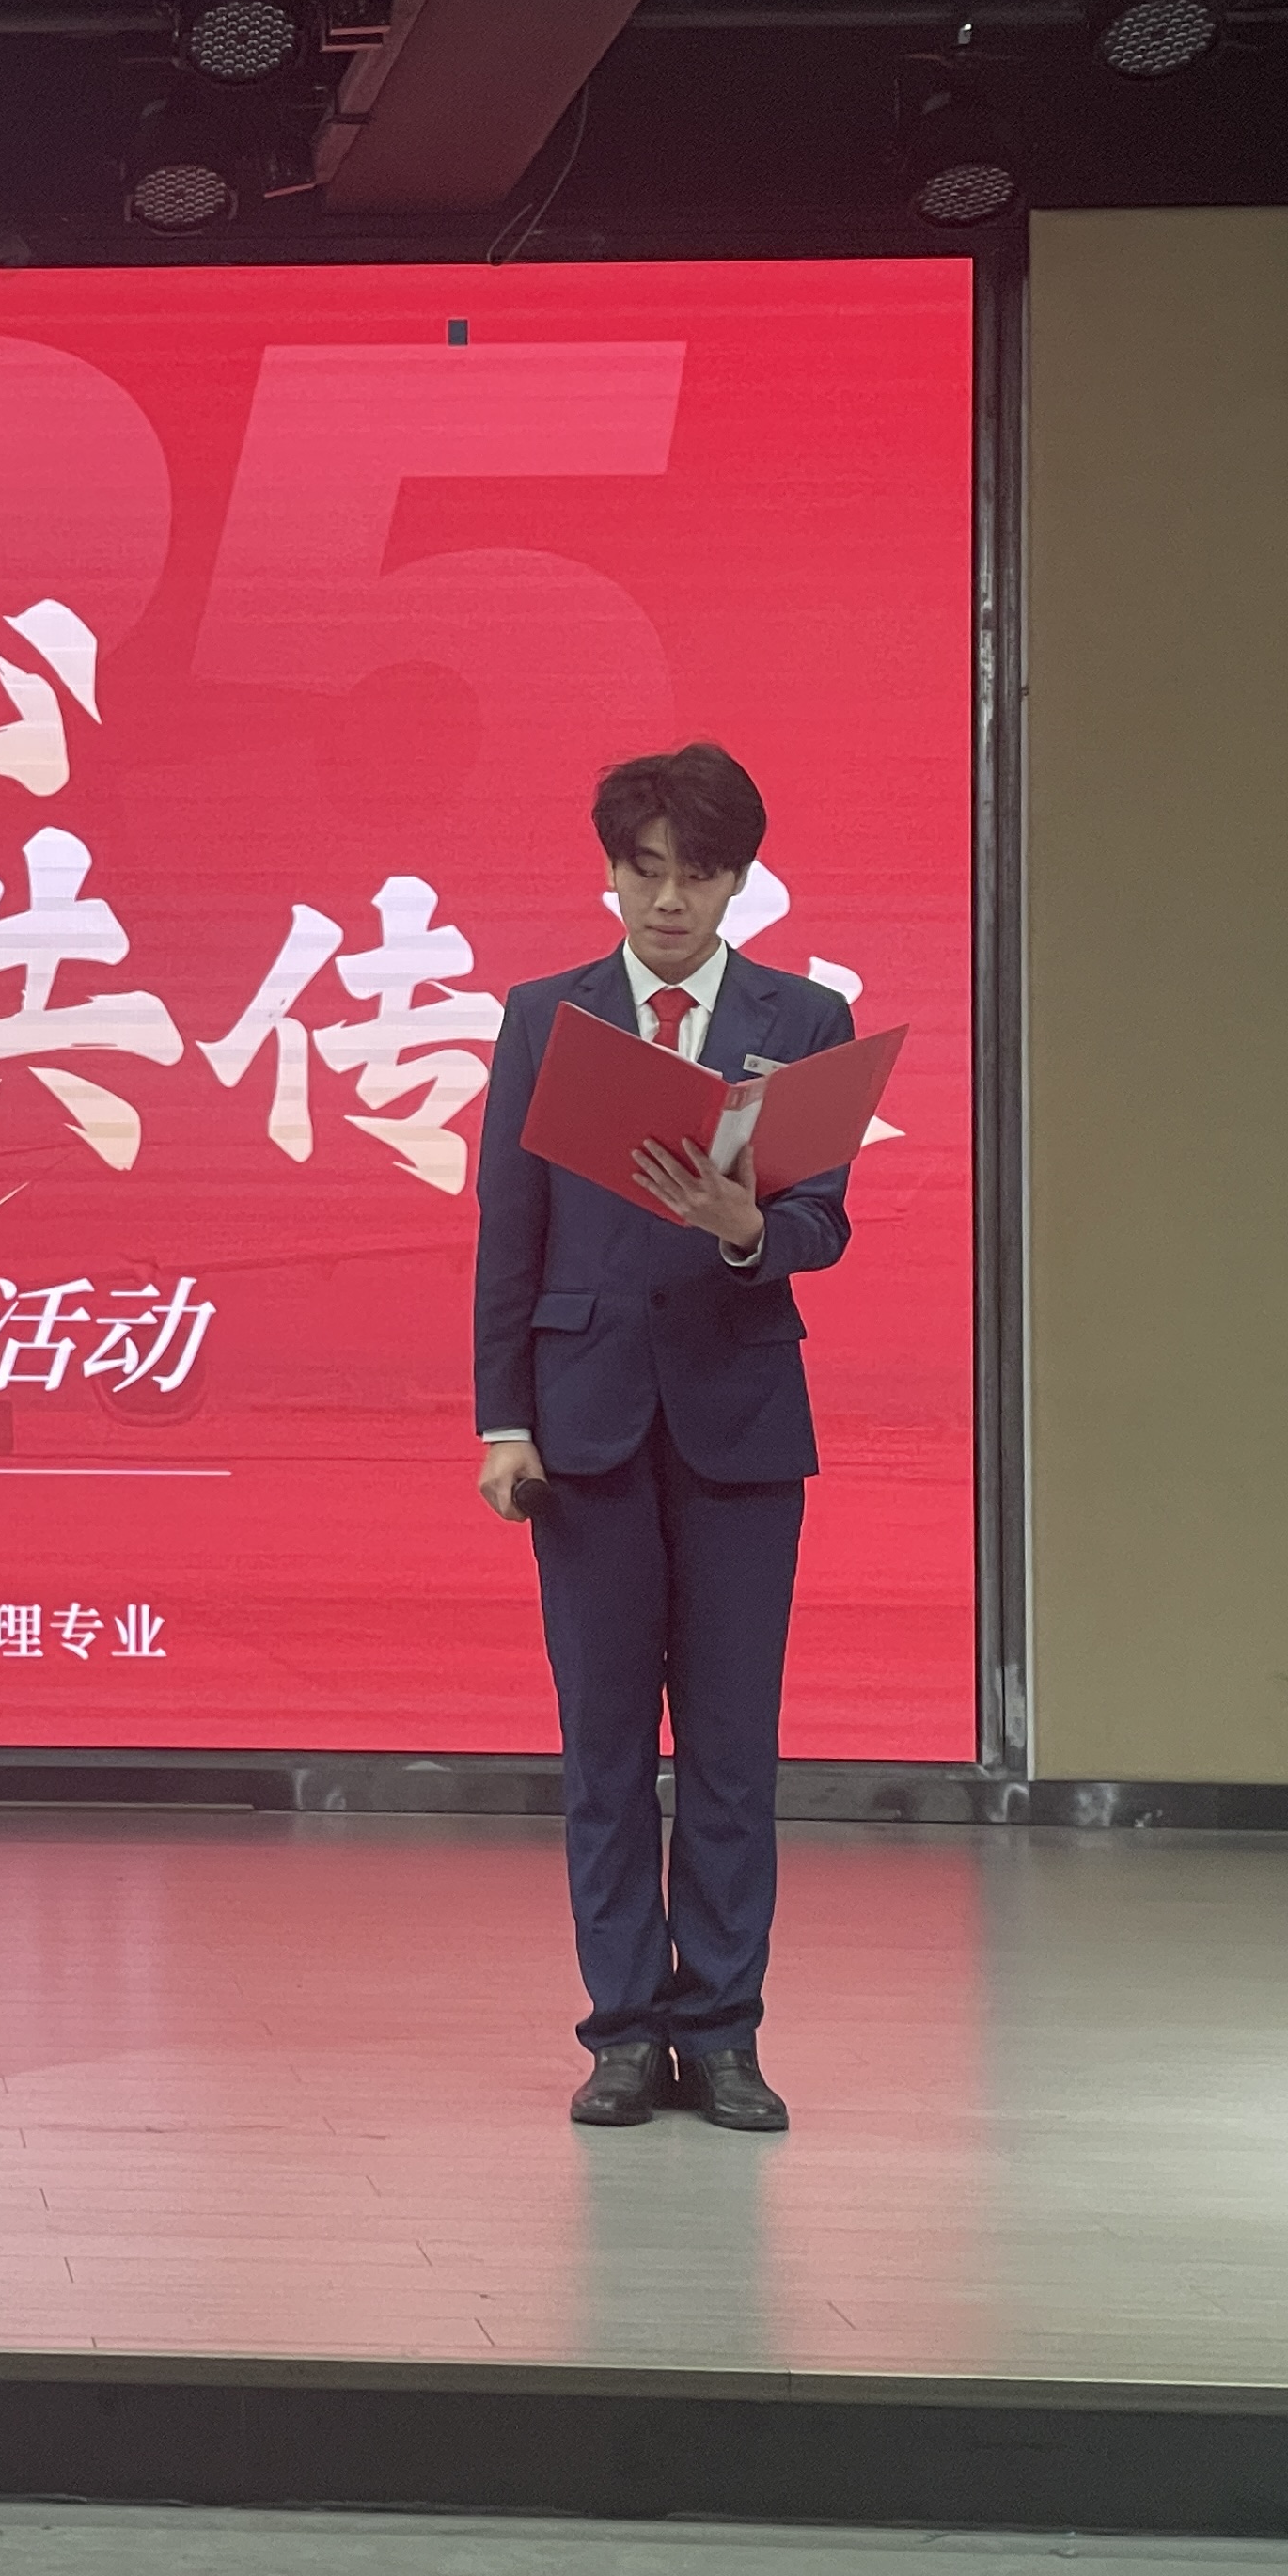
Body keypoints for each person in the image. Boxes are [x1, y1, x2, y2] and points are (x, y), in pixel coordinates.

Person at [473, 745, 856, 2136]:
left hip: (741, 1423)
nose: (670, 900)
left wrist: (747, 1228)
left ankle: (725, 2033)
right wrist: (503, 1419)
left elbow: (823, 1222)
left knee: (734, 1754)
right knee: (605, 1751)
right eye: (647, 872)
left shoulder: (802, 1017)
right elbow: (509, 1230)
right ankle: (624, 2033)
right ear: (613, 872)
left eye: (698, 874)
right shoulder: (546, 1017)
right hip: (583, 1426)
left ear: (739, 879)